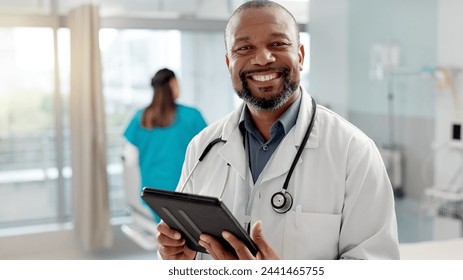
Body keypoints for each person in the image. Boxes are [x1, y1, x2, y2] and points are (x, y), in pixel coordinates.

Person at [156, 0, 400, 260]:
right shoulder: (203, 146)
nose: (262, 58)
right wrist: (180, 259)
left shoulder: (354, 152)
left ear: (301, 56)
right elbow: (182, 249)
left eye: (278, 44)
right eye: (245, 47)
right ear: (229, 64)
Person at [123, 68, 207, 223]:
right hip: (184, 193)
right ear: (173, 83)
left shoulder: (140, 118)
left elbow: (129, 159)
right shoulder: (192, 116)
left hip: (152, 195)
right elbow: (209, 154)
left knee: (164, 236)